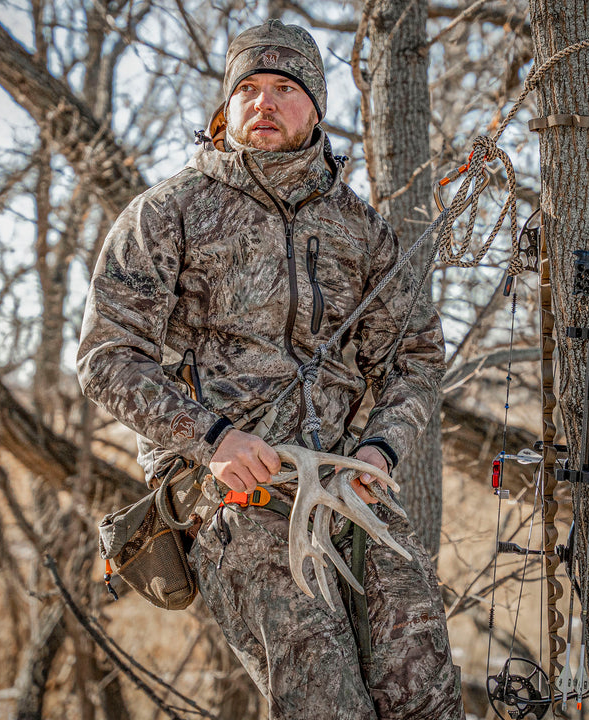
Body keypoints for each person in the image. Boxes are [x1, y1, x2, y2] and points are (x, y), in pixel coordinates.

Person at [77, 20, 464, 720]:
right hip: (237, 495)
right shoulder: (168, 214)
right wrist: (212, 438)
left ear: (315, 105)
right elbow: (107, 355)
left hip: (355, 491)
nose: (264, 102)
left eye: (285, 88)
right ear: (227, 105)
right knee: (325, 705)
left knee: (427, 698)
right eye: (248, 89)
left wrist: (380, 450)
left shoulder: (361, 229)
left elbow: (416, 358)